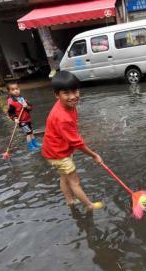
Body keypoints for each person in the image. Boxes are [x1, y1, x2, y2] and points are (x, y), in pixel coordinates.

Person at [41, 71, 104, 211]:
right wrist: (94, 155)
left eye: (75, 91)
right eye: (66, 93)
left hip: (55, 149)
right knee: (74, 181)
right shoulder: (62, 117)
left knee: (64, 177)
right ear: (57, 95)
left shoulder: (66, 105)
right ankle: (90, 205)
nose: (73, 96)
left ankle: (70, 201)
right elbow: (77, 143)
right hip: (58, 154)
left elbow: (72, 135)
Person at [6, 82, 41, 151]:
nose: (16, 91)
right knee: (28, 133)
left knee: (31, 131)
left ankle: (35, 143)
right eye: (13, 90)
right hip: (21, 121)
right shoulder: (11, 102)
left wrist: (26, 106)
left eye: (17, 89)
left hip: (27, 119)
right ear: (9, 91)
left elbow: (30, 107)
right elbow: (10, 113)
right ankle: (30, 146)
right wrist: (15, 118)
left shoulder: (22, 99)